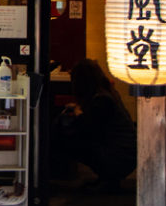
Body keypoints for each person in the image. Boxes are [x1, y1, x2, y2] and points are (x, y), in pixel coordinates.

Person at [57, 59, 137, 191]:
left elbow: (87, 127)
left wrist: (76, 114)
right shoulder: (107, 95)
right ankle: (107, 178)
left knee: (68, 140)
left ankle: (107, 177)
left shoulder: (101, 100)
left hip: (119, 155)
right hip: (126, 153)